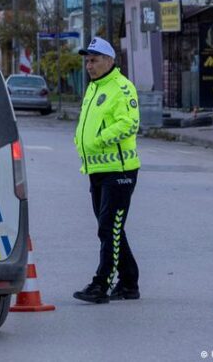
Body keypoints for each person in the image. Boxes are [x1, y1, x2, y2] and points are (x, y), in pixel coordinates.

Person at [72, 37, 141, 304]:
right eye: (87, 61)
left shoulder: (122, 87)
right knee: (111, 229)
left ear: (109, 61)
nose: (89, 66)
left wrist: (100, 139)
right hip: (97, 169)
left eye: (94, 60)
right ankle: (129, 282)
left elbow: (129, 123)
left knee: (108, 228)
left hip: (119, 171)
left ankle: (101, 284)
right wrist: (80, 140)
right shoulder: (94, 87)